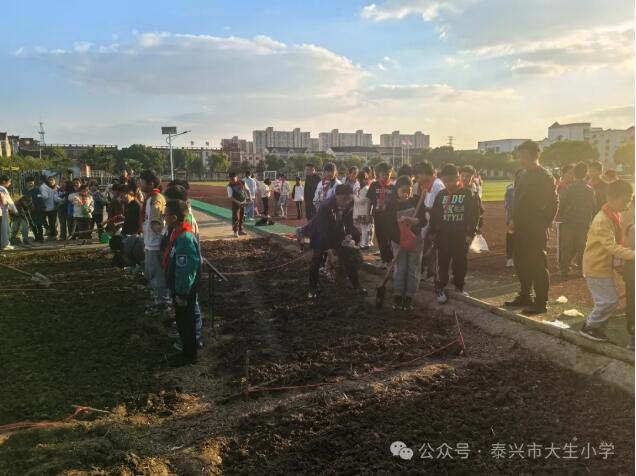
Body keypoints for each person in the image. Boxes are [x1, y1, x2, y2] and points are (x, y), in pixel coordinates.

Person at [505, 140, 558, 315]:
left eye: (523, 156)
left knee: (537, 264)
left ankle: (541, 302)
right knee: (521, 262)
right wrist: (513, 219)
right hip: (520, 226)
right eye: (519, 156)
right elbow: (517, 199)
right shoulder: (520, 174)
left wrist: (544, 223)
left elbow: (553, 202)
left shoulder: (545, 176)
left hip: (535, 228)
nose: (520, 159)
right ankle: (524, 295)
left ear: (534, 156)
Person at [579, 180, 635, 342]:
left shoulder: (613, 214)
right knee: (608, 301)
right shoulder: (602, 220)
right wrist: (633, 254)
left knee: (608, 300)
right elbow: (612, 247)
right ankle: (590, 327)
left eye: (629, 201)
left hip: (603, 266)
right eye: (625, 201)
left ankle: (595, 327)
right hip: (596, 267)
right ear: (612, 198)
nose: (628, 204)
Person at [429, 164, 480, 304]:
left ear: (457, 179)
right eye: (444, 181)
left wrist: (470, 233)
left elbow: (474, 215)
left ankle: (459, 286)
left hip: (460, 237)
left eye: (450, 180)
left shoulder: (467, 194)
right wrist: (432, 232)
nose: (447, 184)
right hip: (443, 237)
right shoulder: (441, 195)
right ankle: (440, 287)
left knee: (460, 263)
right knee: (442, 264)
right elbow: (435, 215)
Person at [306, 184, 366, 299]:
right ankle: (312, 289)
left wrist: (348, 234)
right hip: (320, 233)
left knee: (348, 257)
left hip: (337, 232)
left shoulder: (350, 203)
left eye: (349, 199)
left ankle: (357, 286)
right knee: (316, 259)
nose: (346, 202)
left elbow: (348, 221)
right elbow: (322, 230)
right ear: (336, 196)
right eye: (344, 199)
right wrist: (330, 252)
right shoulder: (325, 206)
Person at [163, 199, 201, 366]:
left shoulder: (184, 238)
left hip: (184, 291)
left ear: (174, 217)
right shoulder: (176, 234)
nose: (164, 218)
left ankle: (189, 355)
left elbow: (185, 269)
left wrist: (182, 293)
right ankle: (186, 352)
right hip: (178, 288)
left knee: (187, 324)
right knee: (181, 322)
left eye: (166, 215)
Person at [385, 176, 428, 311]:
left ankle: (409, 296)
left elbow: (424, 221)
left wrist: (415, 221)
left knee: (413, 267)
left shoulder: (417, 200)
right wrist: (400, 239)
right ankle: (398, 295)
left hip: (415, 239)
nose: (406, 194)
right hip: (399, 240)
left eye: (409, 191)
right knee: (400, 267)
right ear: (397, 190)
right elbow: (388, 226)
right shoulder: (392, 204)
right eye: (403, 191)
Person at [558, 162, 596, 278]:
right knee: (582, 246)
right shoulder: (590, 190)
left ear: (574, 173)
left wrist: (561, 215)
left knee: (567, 246)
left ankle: (564, 270)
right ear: (586, 174)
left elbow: (562, 204)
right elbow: (593, 207)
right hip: (584, 221)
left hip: (569, 221)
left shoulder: (569, 188)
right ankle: (581, 270)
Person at [139, 169, 169, 316]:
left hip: (155, 244)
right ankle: (159, 299)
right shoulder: (150, 198)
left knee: (157, 275)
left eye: (142, 182)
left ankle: (162, 304)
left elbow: (156, 223)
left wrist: (162, 236)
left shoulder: (156, 199)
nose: (140, 184)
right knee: (152, 273)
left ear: (151, 183)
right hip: (150, 242)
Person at [413, 161, 445, 278]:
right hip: (428, 221)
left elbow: (442, 207)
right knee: (425, 247)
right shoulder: (428, 185)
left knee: (430, 248)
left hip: (434, 223)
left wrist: (428, 211)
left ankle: (432, 273)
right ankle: (427, 271)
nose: (418, 179)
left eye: (418, 176)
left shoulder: (437, 185)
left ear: (424, 173)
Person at [367, 162, 395, 267]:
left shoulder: (393, 187)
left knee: (389, 238)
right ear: (378, 174)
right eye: (383, 174)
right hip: (377, 217)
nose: (385, 176)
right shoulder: (374, 185)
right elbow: (369, 201)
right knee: (380, 238)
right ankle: (384, 260)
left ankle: (390, 260)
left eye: (388, 174)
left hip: (389, 218)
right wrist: (368, 214)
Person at [353, 169, 373, 250]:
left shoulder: (366, 189)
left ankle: (365, 244)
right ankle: (365, 243)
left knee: (364, 229)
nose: (364, 180)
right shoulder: (362, 188)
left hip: (365, 212)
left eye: (365, 178)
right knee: (363, 228)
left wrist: (354, 196)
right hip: (362, 212)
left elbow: (361, 201)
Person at [39, 175, 61, 239]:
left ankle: (53, 235)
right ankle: (49, 231)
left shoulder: (57, 187)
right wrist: (40, 195)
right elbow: (45, 196)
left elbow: (59, 195)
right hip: (45, 207)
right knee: (43, 220)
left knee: (52, 222)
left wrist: (39, 195)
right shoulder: (44, 187)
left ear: (55, 181)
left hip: (53, 208)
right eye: (49, 180)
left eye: (52, 180)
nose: (51, 181)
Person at [22, 177, 44, 242]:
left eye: (32, 182)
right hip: (28, 209)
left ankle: (41, 237)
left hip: (37, 208)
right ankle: (36, 236)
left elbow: (40, 198)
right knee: (31, 223)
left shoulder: (37, 189)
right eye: (29, 183)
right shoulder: (24, 190)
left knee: (39, 223)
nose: (31, 184)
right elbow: (23, 199)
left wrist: (41, 207)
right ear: (26, 183)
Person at [227, 171, 248, 237]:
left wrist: (249, 197)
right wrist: (238, 202)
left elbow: (246, 190)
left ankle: (241, 230)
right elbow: (231, 197)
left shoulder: (242, 182)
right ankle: (235, 231)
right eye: (231, 179)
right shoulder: (229, 186)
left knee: (242, 216)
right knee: (235, 217)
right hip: (235, 203)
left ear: (236, 177)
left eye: (233, 179)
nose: (232, 180)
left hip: (243, 202)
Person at [0, 176, 17, 250]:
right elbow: (7, 201)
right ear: (4, 181)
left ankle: (3, 243)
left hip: (2, 211)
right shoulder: (2, 189)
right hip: (3, 211)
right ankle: (5, 244)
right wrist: (15, 210)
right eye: (9, 182)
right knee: (4, 228)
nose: (10, 183)